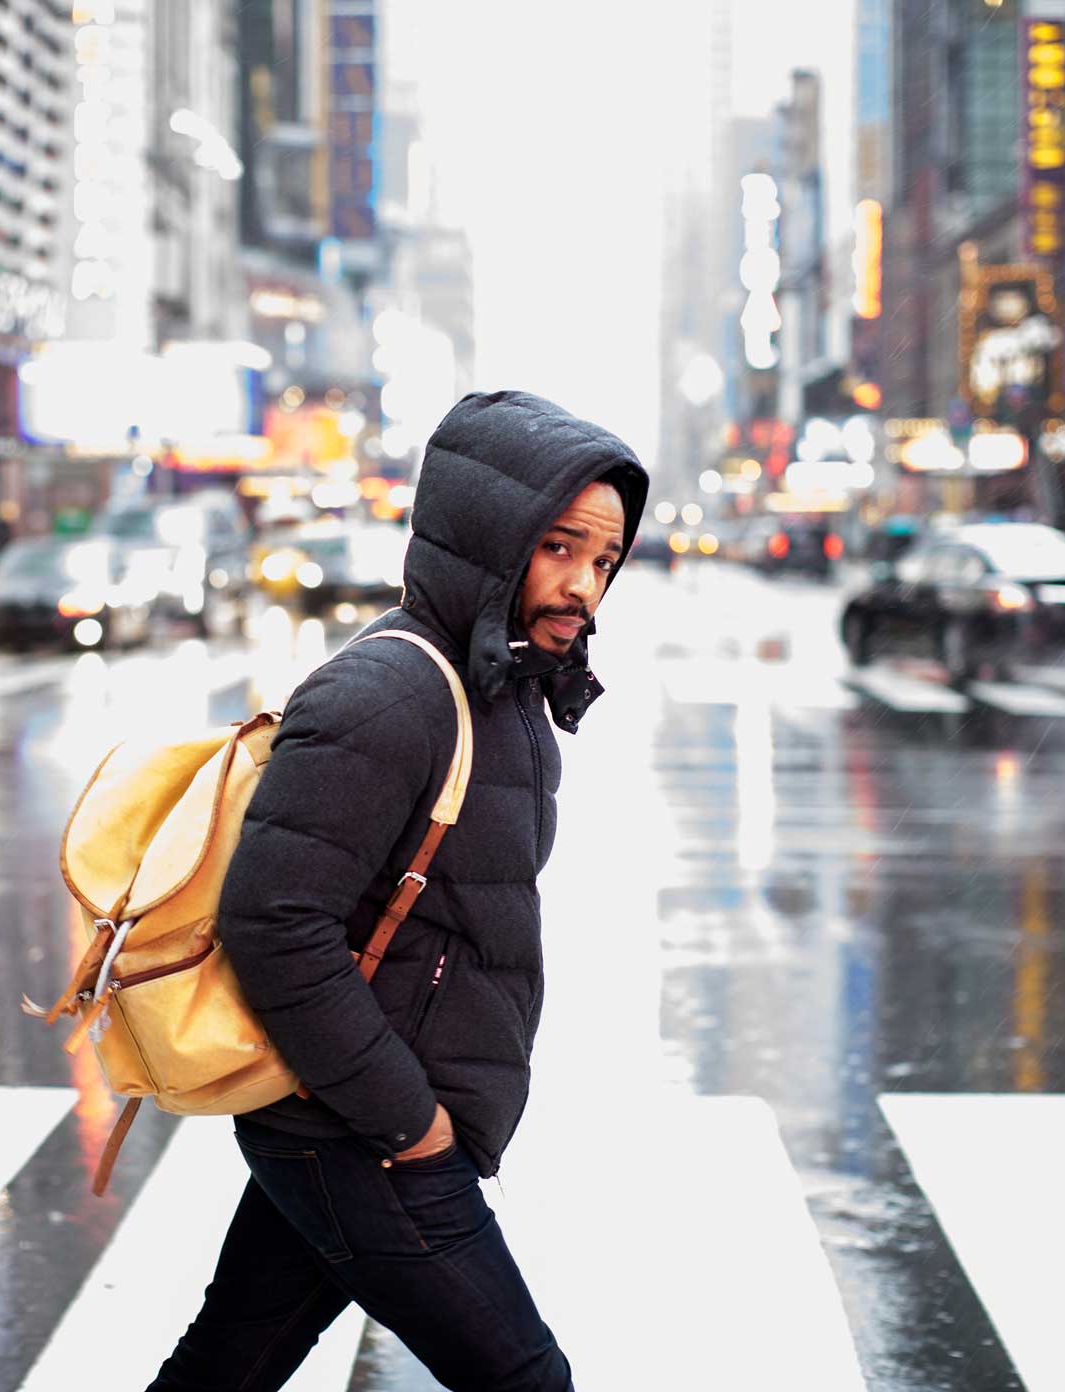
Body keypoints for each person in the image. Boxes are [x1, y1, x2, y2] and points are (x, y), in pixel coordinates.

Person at [149, 390, 649, 1392]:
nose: (583, 586)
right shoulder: (389, 695)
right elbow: (275, 921)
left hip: (356, 1121)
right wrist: (409, 1123)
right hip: (365, 1134)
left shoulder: (496, 685)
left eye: (602, 561)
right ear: (488, 540)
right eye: (558, 548)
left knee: (225, 1369)